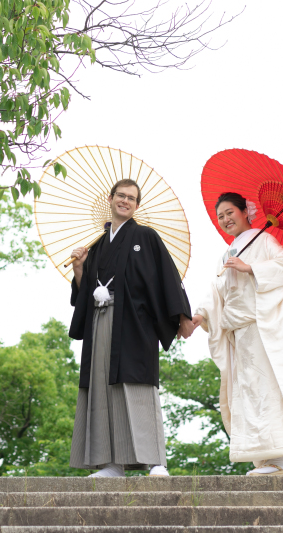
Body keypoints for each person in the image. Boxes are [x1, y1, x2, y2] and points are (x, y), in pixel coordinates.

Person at [67, 179, 194, 478]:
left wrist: (182, 317)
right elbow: (84, 292)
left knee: (136, 386)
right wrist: (80, 268)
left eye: (131, 198)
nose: (125, 201)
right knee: (101, 388)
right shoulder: (97, 246)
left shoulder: (146, 236)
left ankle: (156, 461)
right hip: (101, 320)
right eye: (120, 196)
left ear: (137, 205)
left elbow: (166, 277)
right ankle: (111, 463)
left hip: (136, 323)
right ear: (109, 199)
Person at [190, 192, 283, 476]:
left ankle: (280, 460)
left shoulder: (265, 240)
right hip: (240, 334)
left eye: (230, 212)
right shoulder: (228, 252)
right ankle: (263, 459)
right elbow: (217, 291)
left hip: (261, 328)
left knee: (268, 388)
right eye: (221, 216)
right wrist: (199, 316)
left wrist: (251, 267)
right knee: (248, 392)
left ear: (246, 212)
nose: (226, 219)